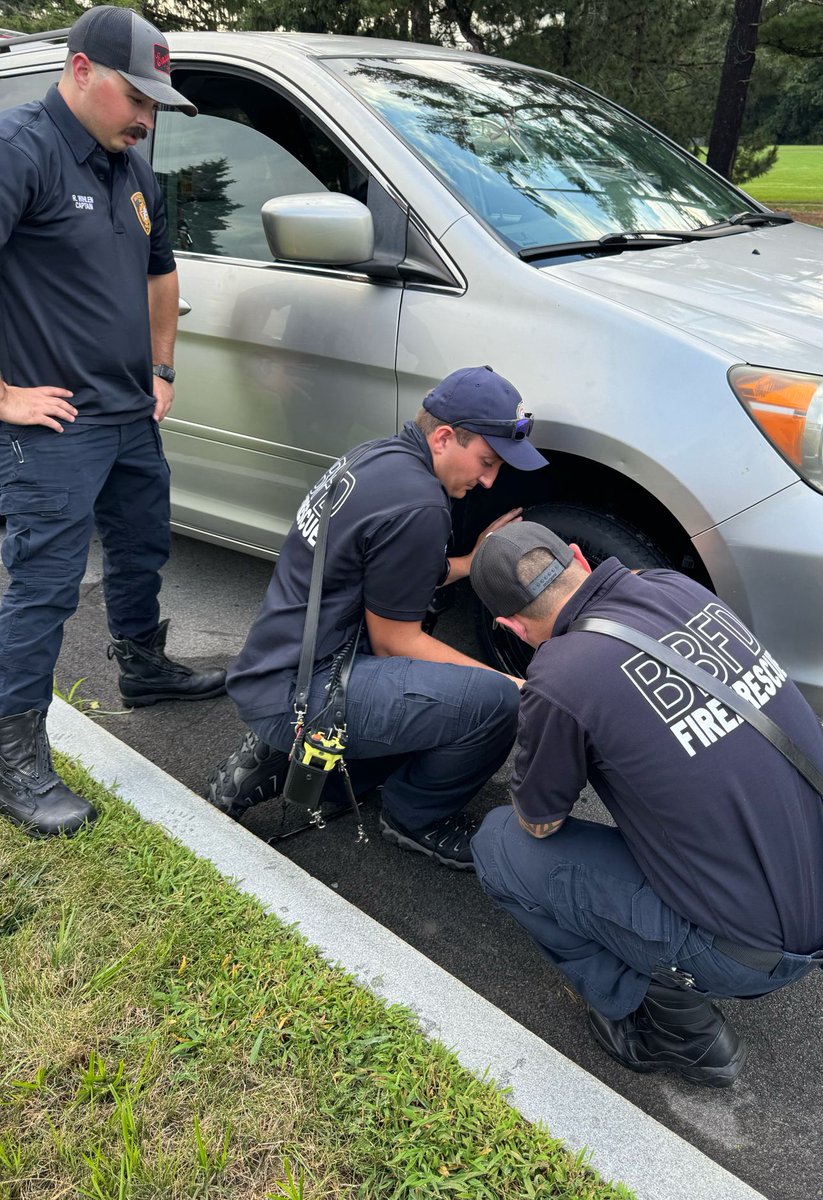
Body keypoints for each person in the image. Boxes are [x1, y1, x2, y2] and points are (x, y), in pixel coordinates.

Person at [469, 522, 823, 1087]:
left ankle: (670, 1025)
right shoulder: (677, 589)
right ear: (579, 556)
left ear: (509, 625)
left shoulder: (560, 676)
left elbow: (539, 820)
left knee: (499, 844)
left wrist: (547, 731)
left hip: (752, 955)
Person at [0, 7, 226, 839]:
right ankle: (12, 756)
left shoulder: (132, 170)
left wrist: (162, 368)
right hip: (53, 428)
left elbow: (161, 277)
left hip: (129, 412)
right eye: (139, 95)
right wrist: (4, 396)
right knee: (46, 588)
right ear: (83, 70)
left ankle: (143, 666)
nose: (147, 116)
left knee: (142, 544)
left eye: (157, 103)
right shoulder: (20, 149)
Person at [209, 365, 548, 870]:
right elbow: (396, 643)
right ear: (443, 437)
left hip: (279, 661)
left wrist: (471, 560)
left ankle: (284, 762)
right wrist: (512, 682)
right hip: (306, 690)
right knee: (497, 704)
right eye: (486, 461)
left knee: (435, 691)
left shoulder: (379, 456)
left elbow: (396, 571)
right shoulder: (420, 505)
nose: (489, 479)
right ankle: (415, 818)